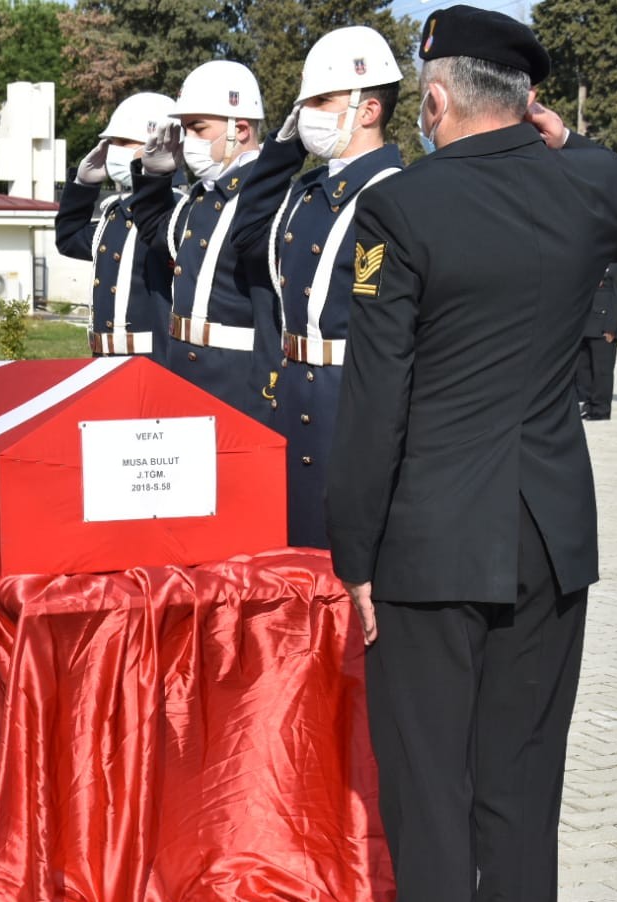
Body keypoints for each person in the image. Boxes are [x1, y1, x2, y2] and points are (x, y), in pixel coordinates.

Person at [322, 8, 617, 902]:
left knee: (432, 795)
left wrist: (354, 558)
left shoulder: (405, 206)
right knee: (523, 794)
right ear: (524, 98)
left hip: (430, 548)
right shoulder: (583, 192)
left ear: (433, 102)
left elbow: (374, 405)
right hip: (546, 540)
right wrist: (570, 142)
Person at [237, 24, 405, 548]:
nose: (307, 112)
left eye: (321, 101)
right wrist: (284, 150)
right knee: (292, 548)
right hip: (291, 390)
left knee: (345, 552)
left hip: (352, 399)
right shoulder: (306, 191)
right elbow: (245, 240)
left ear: (368, 110)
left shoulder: (398, 194)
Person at [136, 60, 279, 421]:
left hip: (237, 380)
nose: (189, 141)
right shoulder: (202, 197)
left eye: (198, 128)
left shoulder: (267, 201)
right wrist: (154, 176)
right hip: (183, 371)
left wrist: (263, 401)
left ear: (241, 128)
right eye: (186, 129)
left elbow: (269, 311)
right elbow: (155, 233)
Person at [54, 93, 179, 358]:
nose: (112, 150)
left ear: (159, 145)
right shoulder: (116, 213)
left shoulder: (177, 211)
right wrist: (83, 185)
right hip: (106, 361)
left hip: (154, 361)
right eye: (110, 143)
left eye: (122, 142)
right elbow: (69, 238)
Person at [575, 262, 617, 420]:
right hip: (587, 324)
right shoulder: (596, 259)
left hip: (604, 327)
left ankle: (601, 409)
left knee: (601, 371)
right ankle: (589, 404)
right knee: (585, 370)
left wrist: (610, 328)